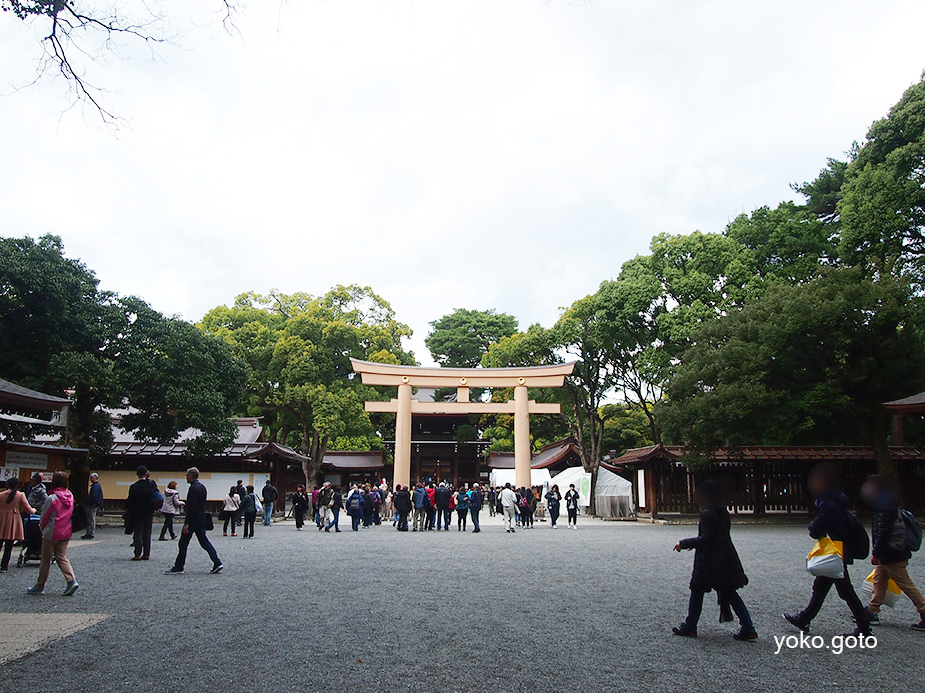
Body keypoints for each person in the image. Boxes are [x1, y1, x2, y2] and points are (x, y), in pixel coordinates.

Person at [783, 462, 871, 636]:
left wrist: (813, 526)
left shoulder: (829, 503)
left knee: (845, 591)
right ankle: (805, 618)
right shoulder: (837, 500)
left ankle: (864, 627)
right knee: (823, 587)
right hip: (836, 551)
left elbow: (817, 528)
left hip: (834, 552)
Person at [672, 480, 757, 640]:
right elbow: (713, 536)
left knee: (697, 591)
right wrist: (696, 543)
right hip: (725, 557)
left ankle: (690, 625)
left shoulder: (707, 513)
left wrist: (684, 543)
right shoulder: (722, 512)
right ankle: (748, 626)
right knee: (729, 593)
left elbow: (706, 538)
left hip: (709, 560)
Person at [861, 474, 925, 631]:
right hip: (894, 551)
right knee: (879, 580)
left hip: (891, 552)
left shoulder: (883, 506)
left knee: (905, 583)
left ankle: (924, 610)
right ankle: (872, 610)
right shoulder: (889, 501)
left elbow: (883, 533)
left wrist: (877, 552)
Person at [28, 471, 78, 596]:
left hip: (52, 531)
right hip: (66, 530)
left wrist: (42, 529)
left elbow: (44, 517)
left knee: (45, 560)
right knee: (61, 557)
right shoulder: (70, 496)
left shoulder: (52, 498)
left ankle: (40, 585)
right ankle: (71, 580)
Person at [165, 467, 223, 575]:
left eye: (187, 475)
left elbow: (191, 507)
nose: (186, 477)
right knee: (204, 542)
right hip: (201, 518)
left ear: (191, 476)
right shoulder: (202, 487)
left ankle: (179, 566)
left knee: (183, 543)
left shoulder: (193, 489)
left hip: (193, 519)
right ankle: (217, 562)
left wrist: (187, 523)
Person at [1, 478, 35, 573]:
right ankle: (4, 566)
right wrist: (34, 510)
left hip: (1, 519)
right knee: (9, 545)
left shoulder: (1, 495)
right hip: (13, 520)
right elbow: (27, 508)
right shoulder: (20, 495)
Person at [126, 465, 158, 561]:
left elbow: (129, 501)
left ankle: (137, 554)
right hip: (149, 511)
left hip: (137, 511)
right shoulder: (151, 484)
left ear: (137, 474)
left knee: (138, 531)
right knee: (147, 532)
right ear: (146, 474)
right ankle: (146, 553)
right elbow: (155, 497)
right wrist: (154, 508)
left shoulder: (134, 487)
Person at [82, 473, 103, 539]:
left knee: (90, 518)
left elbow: (94, 495)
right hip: (94, 504)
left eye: (91, 478)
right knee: (91, 518)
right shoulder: (97, 485)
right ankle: (90, 532)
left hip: (92, 504)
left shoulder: (95, 486)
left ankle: (90, 532)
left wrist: (88, 501)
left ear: (95, 478)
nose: (90, 479)